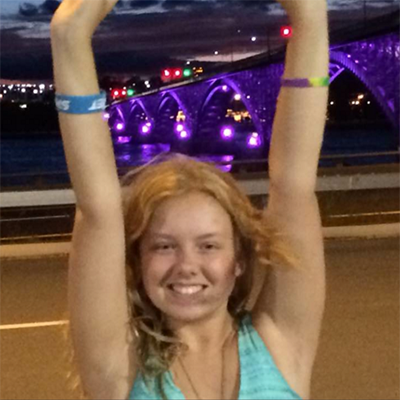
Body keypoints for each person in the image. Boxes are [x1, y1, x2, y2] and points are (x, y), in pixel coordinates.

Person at [50, 0, 329, 399]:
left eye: (209, 245)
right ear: (137, 260)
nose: (186, 266)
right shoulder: (121, 369)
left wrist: (309, 19)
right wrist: (69, 36)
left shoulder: (280, 344)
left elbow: (294, 185)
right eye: (164, 245)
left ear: (239, 261)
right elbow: (98, 208)